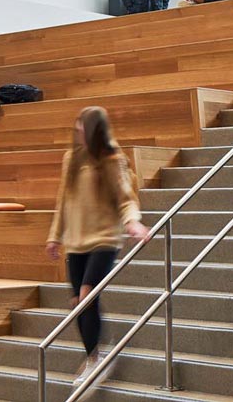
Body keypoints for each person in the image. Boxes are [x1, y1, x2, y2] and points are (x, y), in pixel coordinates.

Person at [45, 107, 150, 391]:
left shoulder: (113, 159)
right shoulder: (71, 158)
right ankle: (94, 355)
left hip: (105, 238)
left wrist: (133, 223)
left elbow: (126, 197)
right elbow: (62, 201)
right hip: (77, 241)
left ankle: (95, 361)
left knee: (86, 295)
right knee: (77, 304)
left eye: (82, 125)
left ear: (94, 130)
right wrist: (55, 236)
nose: (77, 128)